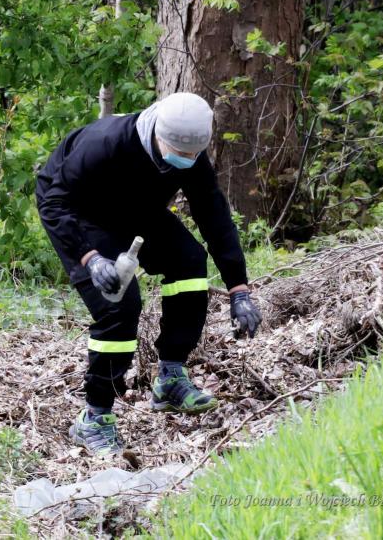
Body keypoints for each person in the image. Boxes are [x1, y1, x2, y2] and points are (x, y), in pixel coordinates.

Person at [35, 91, 262, 458]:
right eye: (179, 152)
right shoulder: (105, 144)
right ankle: (94, 416)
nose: (186, 160)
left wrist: (239, 290)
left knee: (189, 261)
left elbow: (214, 217)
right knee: (119, 305)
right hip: (81, 215)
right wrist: (91, 259)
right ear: (158, 134)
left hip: (136, 208)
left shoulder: (192, 156)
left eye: (193, 155)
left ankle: (171, 376)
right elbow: (54, 202)